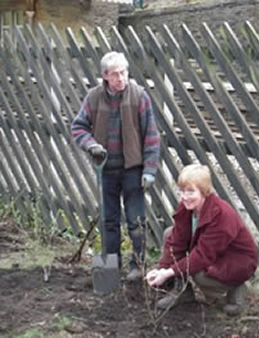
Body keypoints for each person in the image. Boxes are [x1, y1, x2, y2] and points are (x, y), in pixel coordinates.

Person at [71, 51, 160, 281]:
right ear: (105, 76)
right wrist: (91, 145)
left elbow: (151, 136)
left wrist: (149, 170)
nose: (120, 78)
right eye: (115, 74)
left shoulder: (139, 96)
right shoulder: (94, 97)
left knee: (136, 221)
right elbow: (78, 127)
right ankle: (110, 268)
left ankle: (137, 266)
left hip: (133, 170)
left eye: (124, 72)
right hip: (106, 170)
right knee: (109, 220)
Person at [145, 164, 258, 316]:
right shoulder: (187, 207)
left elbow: (202, 256)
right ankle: (182, 292)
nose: (184, 197)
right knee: (169, 234)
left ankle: (234, 289)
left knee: (200, 273)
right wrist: (162, 268)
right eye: (182, 191)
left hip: (236, 262)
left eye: (191, 191)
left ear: (204, 191)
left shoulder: (221, 215)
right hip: (213, 253)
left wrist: (169, 272)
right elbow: (177, 241)